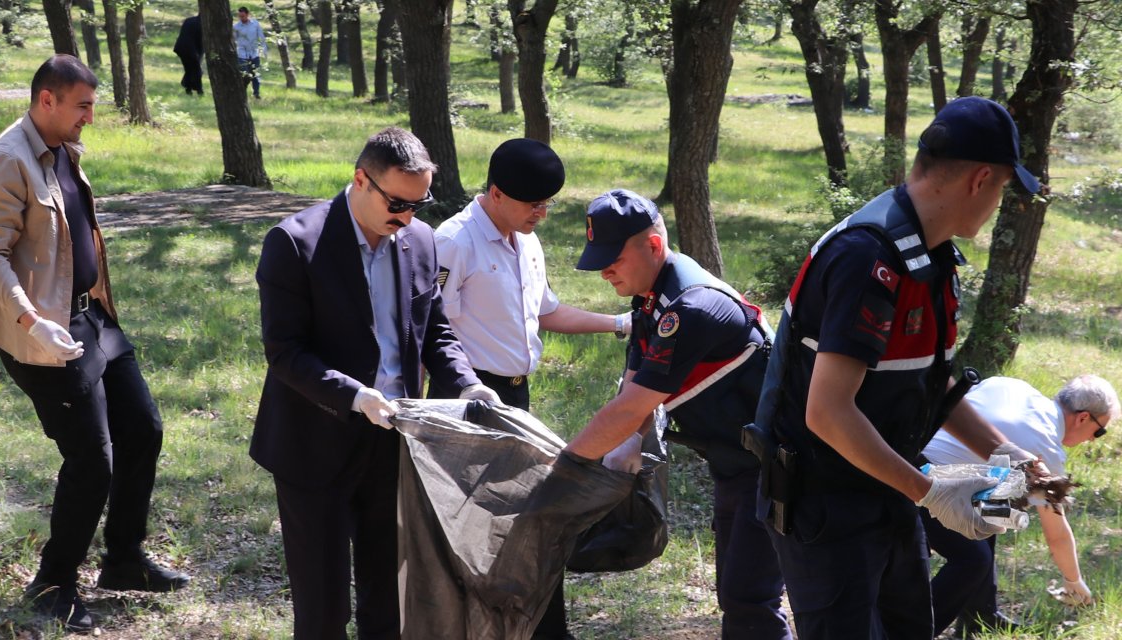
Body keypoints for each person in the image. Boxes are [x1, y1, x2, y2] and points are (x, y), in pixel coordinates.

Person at [750, 95, 1047, 639]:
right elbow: (827, 413)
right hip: (825, 503)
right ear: (981, 179)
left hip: (886, 487)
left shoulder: (932, 259)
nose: (998, 201)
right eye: (1004, 188)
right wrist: (931, 493)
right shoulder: (868, 257)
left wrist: (1010, 456)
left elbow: (938, 385)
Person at [0, 55, 190, 632]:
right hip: (41, 334)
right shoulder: (7, 159)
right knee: (92, 459)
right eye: (83, 106)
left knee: (143, 429)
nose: (90, 117)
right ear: (48, 100)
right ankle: (53, 582)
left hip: (93, 318)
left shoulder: (64, 146)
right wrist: (29, 320)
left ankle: (123, 560)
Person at [251, 126, 500, 639]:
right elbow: (285, 353)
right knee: (321, 609)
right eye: (397, 203)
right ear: (361, 179)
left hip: (393, 442)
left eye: (418, 204)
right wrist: (355, 396)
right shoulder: (295, 243)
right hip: (313, 442)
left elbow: (434, 330)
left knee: (389, 599)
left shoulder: (422, 241)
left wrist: (468, 384)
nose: (407, 217)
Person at [563, 190, 792, 640]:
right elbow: (632, 384)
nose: (604, 270)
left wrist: (568, 469)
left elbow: (631, 407)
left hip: (781, 469)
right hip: (739, 465)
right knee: (739, 595)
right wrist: (626, 440)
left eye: (613, 258)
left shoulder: (691, 307)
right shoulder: (651, 294)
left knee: (752, 602)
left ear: (652, 246)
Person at [432, 139, 630, 640]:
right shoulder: (455, 242)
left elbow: (547, 313)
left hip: (517, 397)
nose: (541, 214)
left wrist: (622, 324)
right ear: (496, 193)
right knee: (487, 531)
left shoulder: (526, 237)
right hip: (471, 401)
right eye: (532, 203)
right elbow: (430, 332)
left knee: (532, 522)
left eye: (547, 204)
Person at [920, 374, 1116, 637]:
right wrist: (1074, 582)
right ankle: (911, 629)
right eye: (1099, 431)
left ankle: (981, 617)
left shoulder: (1008, 384)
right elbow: (1055, 533)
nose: (1094, 439)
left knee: (990, 514)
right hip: (919, 485)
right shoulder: (1045, 450)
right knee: (972, 560)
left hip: (904, 457)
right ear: (1083, 418)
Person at [233, 6, 267, 100]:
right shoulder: (236, 27)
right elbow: (233, 39)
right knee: (245, 74)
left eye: (243, 16)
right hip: (242, 54)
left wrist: (264, 50)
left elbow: (261, 37)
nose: (242, 18)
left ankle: (256, 93)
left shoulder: (255, 24)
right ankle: (242, 93)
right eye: (240, 16)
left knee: (255, 74)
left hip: (254, 53)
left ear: (247, 14)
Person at [173, 14, 203, 96]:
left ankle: (188, 89)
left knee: (189, 69)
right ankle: (200, 91)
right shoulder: (203, 24)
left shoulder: (189, 20)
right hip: (191, 49)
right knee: (197, 70)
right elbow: (200, 41)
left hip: (180, 47)